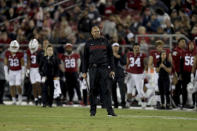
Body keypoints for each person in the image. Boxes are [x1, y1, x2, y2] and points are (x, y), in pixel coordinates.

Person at [82, 26, 116, 116]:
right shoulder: (88, 43)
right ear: (92, 33)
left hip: (104, 69)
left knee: (107, 90)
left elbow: (111, 56)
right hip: (93, 69)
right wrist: (84, 71)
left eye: (98, 31)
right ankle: (93, 111)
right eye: (95, 31)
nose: (97, 33)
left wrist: (112, 69)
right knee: (93, 90)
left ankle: (110, 111)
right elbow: (85, 58)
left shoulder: (105, 41)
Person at [4, 40, 25, 105]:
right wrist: (6, 74)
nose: (14, 48)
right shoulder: (7, 53)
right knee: (11, 86)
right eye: (13, 47)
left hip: (18, 71)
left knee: (18, 85)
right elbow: (5, 64)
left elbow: (23, 65)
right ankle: (13, 100)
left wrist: (23, 74)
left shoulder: (20, 54)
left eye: (15, 47)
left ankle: (20, 96)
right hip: (11, 71)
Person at [111, 43, 127, 108]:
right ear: (112, 47)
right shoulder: (109, 54)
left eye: (117, 47)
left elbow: (124, 62)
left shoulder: (122, 54)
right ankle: (115, 103)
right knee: (113, 89)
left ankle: (123, 103)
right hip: (112, 73)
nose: (115, 48)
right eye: (114, 47)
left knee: (122, 89)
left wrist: (118, 57)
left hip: (120, 73)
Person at [26, 39, 42, 105]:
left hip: (38, 69)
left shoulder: (40, 51)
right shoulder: (28, 51)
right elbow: (28, 60)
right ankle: (36, 99)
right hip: (32, 69)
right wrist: (28, 70)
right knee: (34, 85)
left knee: (38, 84)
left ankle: (40, 97)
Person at [182, 41, 197, 108]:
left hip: (193, 73)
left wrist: (193, 73)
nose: (191, 46)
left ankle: (193, 103)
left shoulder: (196, 53)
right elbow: (181, 63)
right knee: (184, 88)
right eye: (190, 44)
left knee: (193, 89)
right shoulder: (184, 52)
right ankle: (184, 103)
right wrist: (180, 73)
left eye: (192, 45)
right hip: (185, 72)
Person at [172, 38, 186, 107]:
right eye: (182, 42)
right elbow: (173, 62)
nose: (184, 43)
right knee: (177, 87)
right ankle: (175, 102)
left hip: (183, 72)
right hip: (177, 72)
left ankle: (179, 102)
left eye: (184, 42)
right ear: (178, 43)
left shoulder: (183, 51)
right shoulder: (176, 51)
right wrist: (175, 73)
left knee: (181, 87)